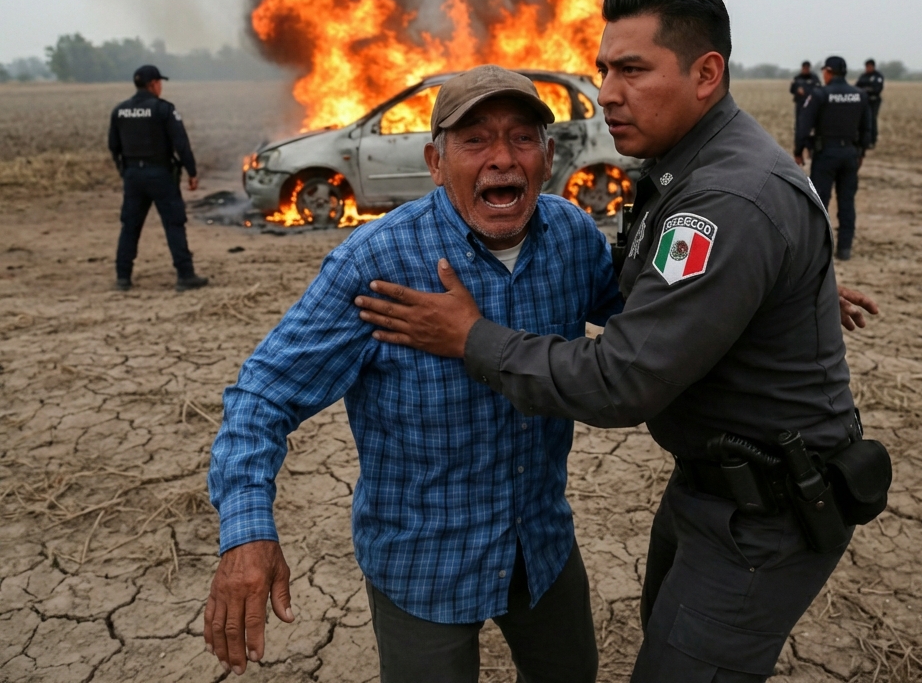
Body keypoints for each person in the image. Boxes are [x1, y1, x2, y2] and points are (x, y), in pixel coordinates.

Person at [354, 0, 884, 683]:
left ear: (705, 74)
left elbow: (620, 379)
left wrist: (471, 337)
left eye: (631, 70)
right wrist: (774, 287)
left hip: (766, 514)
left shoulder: (727, 199)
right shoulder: (691, 172)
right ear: (436, 158)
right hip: (713, 489)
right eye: (605, 69)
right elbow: (654, 285)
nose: (605, 92)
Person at [204, 66, 621, 682]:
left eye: (522, 138)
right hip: (424, 562)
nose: (502, 159)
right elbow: (262, 394)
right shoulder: (377, 262)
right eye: (475, 140)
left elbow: (648, 330)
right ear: (435, 160)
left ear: (549, 154)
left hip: (542, 543)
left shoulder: (573, 237)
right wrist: (246, 533)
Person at [108, 64, 207, 291]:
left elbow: (113, 146)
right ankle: (185, 275)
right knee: (174, 223)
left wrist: (125, 171)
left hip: (133, 175)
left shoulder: (120, 110)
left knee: (130, 226)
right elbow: (181, 144)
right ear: (153, 84)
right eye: (159, 82)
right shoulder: (163, 109)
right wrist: (192, 172)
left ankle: (123, 277)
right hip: (160, 175)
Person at [796, 56, 872, 261]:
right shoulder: (859, 95)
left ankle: (819, 250)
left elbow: (804, 124)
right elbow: (868, 127)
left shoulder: (820, 94)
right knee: (847, 202)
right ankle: (845, 249)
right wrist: (862, 151)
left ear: (829, 71)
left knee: (820, 203)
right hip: (850, 154)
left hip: (826, 155)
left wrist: (798, 149)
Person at [789, 61, 820, 149]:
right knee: (799, 127)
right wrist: (797, 90)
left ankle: (811, 148)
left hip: (812, 105)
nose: (806, 70)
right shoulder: (797, 78)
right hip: (800, 105)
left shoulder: (814, 78)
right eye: (804, 68)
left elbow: (819, 88)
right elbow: (791, 90)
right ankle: (798, 146)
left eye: (807, 68)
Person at [855, 59, 885, 147]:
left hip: (874, 101)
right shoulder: (863, 76)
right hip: (865, 101)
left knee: (872, 119)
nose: (867, 69)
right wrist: (867, 89)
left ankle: (873, 139)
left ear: (873, 67)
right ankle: (864, 140)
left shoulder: (878, 76)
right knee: (864, 120)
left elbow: (877, 89)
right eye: (866, 67)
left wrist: (865, 89)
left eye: (869, 67)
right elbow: (857, 87)